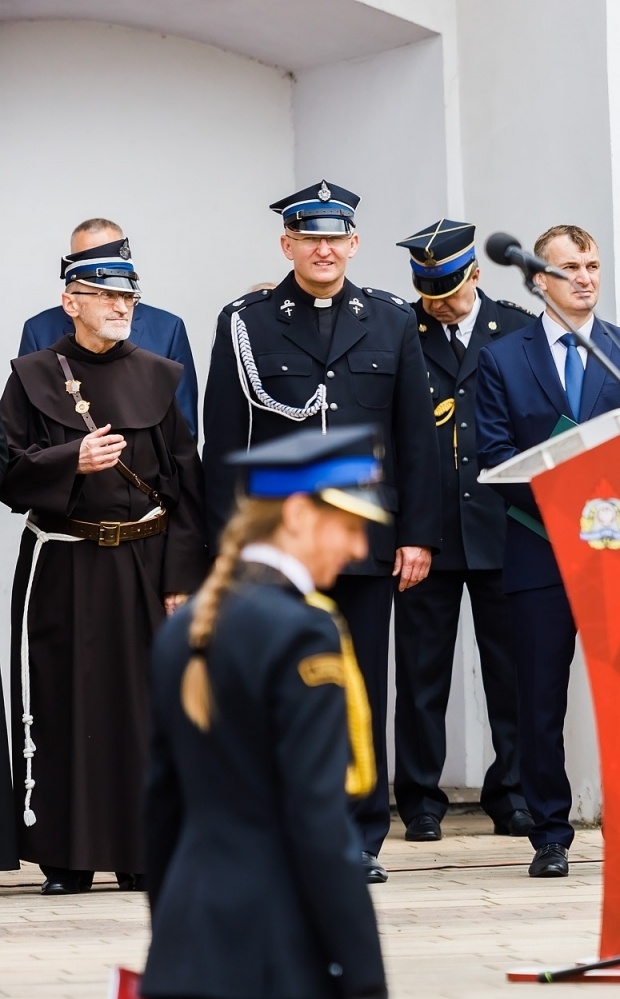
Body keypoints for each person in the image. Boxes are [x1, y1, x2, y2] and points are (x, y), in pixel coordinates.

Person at [200, 180, 440, 884]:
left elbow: (415, 436)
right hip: (280, 543)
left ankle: (359, 836)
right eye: (310, 237)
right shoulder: (247, 321)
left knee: (359, 683)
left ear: (355, 244)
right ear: (288, 245)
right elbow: (224, 440)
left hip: (365, 540)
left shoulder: (392, 320)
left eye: (336, 237)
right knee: (281, 684)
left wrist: (417, 534)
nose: (324, 248)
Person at [143, 425, 388, 999]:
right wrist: (364, 971)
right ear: (301, 514)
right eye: (351, 524)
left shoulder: (185, 630)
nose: (361, 545)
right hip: (277, 971)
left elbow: (159, 814)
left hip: (184, 964)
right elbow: (315, 817)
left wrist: (172, 941)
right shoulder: (302, 633)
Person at [2, 240, 207, 892]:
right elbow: (6, 473)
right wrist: (71, 462)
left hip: (146, 567)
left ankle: (143, 852)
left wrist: (180, 580)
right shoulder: (33, 374)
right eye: (106, 296)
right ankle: (66, 859)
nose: (122, 306)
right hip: (63, 564)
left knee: (144, 709)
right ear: (72, 303)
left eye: (128, 296)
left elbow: (186, 489)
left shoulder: (158, 373)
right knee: (64, 707)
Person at [478, 224, 620, 878]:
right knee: (540, 697)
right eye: (569, 268)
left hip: (618, 554)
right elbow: (495, 455)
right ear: (539, 279)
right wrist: (569, 508)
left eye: (592, 265)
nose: (584, 277)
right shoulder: (504, 358)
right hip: (540, 552)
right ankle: (550, 831)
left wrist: (606, 504)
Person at [390, 220, 535, 842]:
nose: (437, 302)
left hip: (506, 525)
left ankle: (515, 792)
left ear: (475, 274)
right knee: (422, 675)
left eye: (447, 289)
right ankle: (421, 798)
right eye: (427, 290)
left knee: (514, 671)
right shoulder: (402, 331)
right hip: (431, 531)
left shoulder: (518, 329)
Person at [18, 219, 200, 433]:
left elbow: (184, 430)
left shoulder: (168, 329)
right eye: (88, 257)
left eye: (108, 253)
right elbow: (26, 429)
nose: (100, 264)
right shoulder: (39, 330)